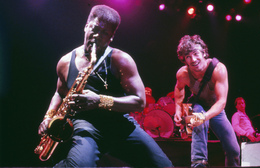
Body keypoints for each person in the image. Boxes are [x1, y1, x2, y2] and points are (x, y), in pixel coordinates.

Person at [37, 5, 173, 167]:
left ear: (111, 38)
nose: (97, 36)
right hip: (85, 125)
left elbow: (140, 102)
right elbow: (60, 93)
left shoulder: (121, 60)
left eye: (104, 33)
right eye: (94, 29)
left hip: (120, 124)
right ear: (86, 26)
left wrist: (100, 100)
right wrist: (49, 116)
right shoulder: (66, 62)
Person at [173, 35, 240, 167]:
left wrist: (205, 117)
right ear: (184, 59)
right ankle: (199, 164)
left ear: (203, 52)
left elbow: (221, 102)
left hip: (215, 109)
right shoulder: (183, 74)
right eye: (188, 56)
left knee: (234, 150)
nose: (193, 59)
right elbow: (179, 89)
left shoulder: (218, 69)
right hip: (197, 105)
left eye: (195, 54)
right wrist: (178, 109)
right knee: (197, 116)